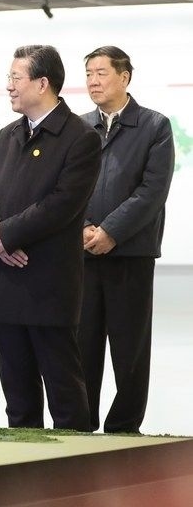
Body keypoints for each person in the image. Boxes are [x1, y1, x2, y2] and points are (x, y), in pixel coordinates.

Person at [0, 44, 101, 431]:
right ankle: (25, 463)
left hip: (49, 284)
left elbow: (62, 203)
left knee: (65, 394)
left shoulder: (80, 137)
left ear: (42, 83)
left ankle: (76, 464)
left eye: (16, 78)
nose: (9, 86)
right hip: (6, 279)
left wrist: (8, 234)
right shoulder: (7, 135)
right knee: (18, 398)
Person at [78, 46, 175, 433]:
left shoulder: (154, 126)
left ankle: (124, 426)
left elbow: (152, 191)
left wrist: (111, 232)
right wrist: (84, 227)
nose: (93, 81)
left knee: (130, 346)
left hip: (131, 253)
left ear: (125, 77)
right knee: (81, 343)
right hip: (83, 254)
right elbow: (65, 187)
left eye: (101, 73)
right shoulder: (78, 128)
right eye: (88, 74)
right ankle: (79, 422)